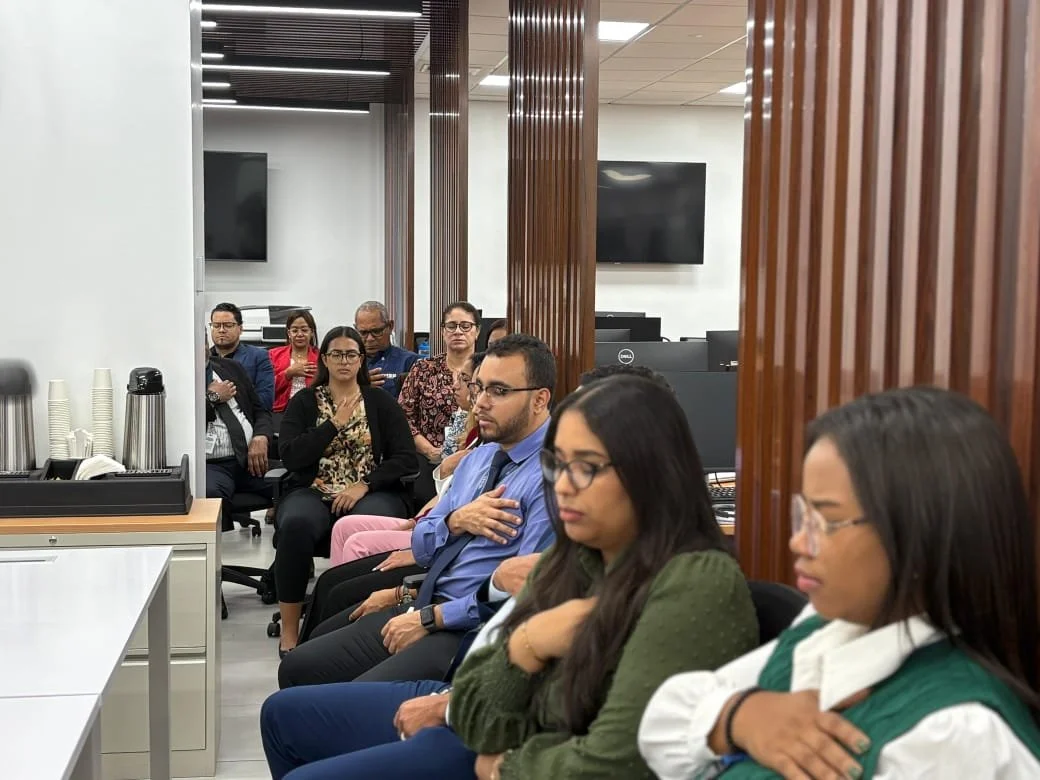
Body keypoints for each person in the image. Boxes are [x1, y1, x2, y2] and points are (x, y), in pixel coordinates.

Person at [638, 386, 1040, 779]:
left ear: (922, 535)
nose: (798, 542)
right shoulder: (828, 629)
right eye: (804, 515)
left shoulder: (954, 736)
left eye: (828, 521)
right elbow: (662, 721)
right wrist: (739, 716)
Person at [449, 375, 758, 779]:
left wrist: (507, 767)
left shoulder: (696, 582)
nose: (562, 486)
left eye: (586, 467)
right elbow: (470, 720)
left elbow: (616, 763)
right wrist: (529, 641)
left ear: (652, 472)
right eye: (558, 464)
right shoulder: (574, 557)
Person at [277, 334, 558, 687]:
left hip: (469, 628)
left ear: (540, 399)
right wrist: (454, 522)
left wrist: (431, 616)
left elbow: (525, 595)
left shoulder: (553, 477)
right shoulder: (482, 458)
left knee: (311, 697)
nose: (481, 402)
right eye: (479, 388)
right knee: (299, 665)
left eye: (499, 391)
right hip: (428, 598)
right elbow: (424, 543)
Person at [260, 554, 539, 780]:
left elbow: (548, 690)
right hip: (471, 674)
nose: (559, 502)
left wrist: (450, 708)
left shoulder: (564, 589)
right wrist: (453, 525)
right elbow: (429, 541)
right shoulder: (560, 555)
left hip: (498, 720)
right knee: (279, 711)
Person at [274, 326, 419, 657]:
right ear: (324, 359)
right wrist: (334, 424)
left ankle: (356, 622)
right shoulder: (304, 402)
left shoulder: (380, 402)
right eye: (336, 354)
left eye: (351, 354)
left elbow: (405, 458)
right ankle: (290, 630)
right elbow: (291, 456)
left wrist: (365, 484)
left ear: (361, 360)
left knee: (366, 525)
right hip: (314, 489)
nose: (344, 361)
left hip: (370, 490)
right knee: (295, 525)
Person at [327, 351, 484, 567]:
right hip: (433, 520)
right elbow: (445, 494)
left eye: (464, 380)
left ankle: (349, 587)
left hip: (445, 534)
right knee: (343, 527)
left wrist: (425, 522)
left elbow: (458, 501)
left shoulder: (487, 444)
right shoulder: (468, 427)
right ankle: (337, 584)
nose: (454, 386)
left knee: (357, 544)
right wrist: (417, 519)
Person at [399, 302, 480, 493]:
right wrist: (429, 450)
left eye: (465, 326)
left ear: (477, 331)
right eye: (451, 326)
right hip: (427, 456)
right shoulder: (424, 368)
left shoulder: (486, 369)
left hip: (474, 454)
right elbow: (403, 416)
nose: (458, 331)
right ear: (443, 332)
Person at [204, 340, 274, 531]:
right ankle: (222, 547)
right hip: (211, 465)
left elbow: (260, 410)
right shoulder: (179, 379)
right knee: (211, 495)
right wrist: (212, 398)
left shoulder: (231, 368)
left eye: (202, 341)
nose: (201, 347)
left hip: (248, 460)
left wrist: (261, 436)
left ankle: (285, 545)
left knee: (295, 479)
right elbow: (185, 418)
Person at [209, 302, 275, 410]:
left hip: (246, 417)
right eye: (216, 325)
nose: (221, 330)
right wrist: (215, 397)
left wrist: (229, 396)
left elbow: (266, 400)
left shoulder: (258, 356)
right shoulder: (202, 360)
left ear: (240, 329)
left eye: (228, 325)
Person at [355, 301, 419, 401]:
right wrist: (358, 388)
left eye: (376, 331)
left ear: (390, 326)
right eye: (363, 333)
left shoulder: (410, 362)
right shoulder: (347, 362)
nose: (370, 338)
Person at [269, 309, 319, 414]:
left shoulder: (321, 357)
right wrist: (288, 374)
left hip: (313, 408)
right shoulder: (273, 355)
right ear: (289, 333)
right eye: (295, 331)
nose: (300, 334)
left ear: (312, 332)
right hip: (281, 409)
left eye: (304, 330)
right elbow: (266, 388)